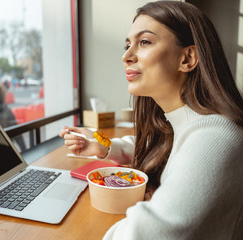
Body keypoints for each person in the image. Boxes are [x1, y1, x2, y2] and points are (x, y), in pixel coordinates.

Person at [59, 1, 243, 239]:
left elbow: (147, 233)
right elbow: (160, 146)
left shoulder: (215, 138)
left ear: (188, 58)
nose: (126, 56)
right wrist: (105, 146)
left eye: (144, 42)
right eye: (127, 45)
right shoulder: (188, 124)